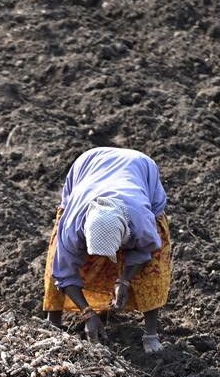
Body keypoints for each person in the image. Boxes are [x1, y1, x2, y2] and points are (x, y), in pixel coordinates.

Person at [43, 148, 171, 354]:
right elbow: (63, 272)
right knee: (55, 260)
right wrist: (87, 313)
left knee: (153, 267)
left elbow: (145, 249)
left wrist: (125, 281)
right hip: (89, 164)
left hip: (139, 167)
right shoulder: (71, 226)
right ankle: (53, 325)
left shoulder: (141, 219)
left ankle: (151, 334)